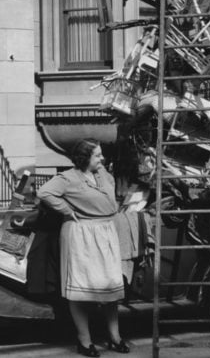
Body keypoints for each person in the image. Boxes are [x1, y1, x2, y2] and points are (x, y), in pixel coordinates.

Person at [37, 139, 129, 357]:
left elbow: (111, 200)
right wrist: (66, 210)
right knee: (81, 290)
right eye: (97, 155)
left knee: (110, 287)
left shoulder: (102, 174)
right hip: (82, 234)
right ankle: (84, 340)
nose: (102, 158)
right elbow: (44, 193)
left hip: (105, 231)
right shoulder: (68, 178)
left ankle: (114, 337)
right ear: (84, 158)